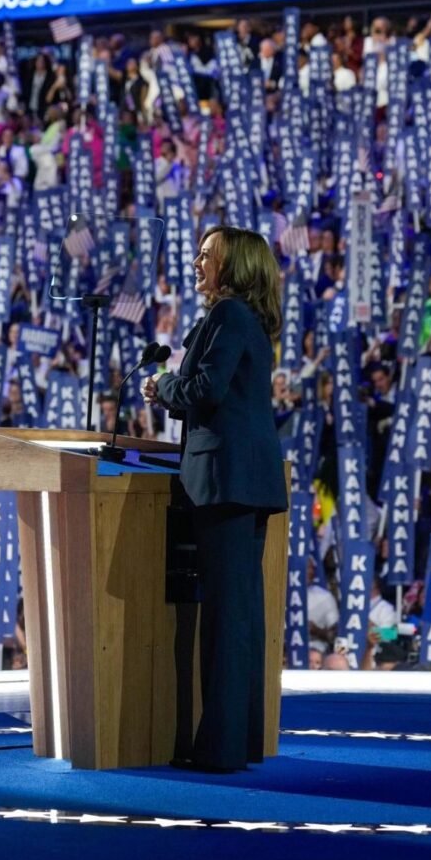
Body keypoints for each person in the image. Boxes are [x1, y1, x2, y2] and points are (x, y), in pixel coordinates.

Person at [143, 225, 287, 773]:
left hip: (225, 479)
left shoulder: (228, 316)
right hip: (245, 480)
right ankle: (241, 741)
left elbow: (205, 389)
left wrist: (162, 388)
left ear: (234, 266)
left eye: (208, 255)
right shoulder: (245, 320)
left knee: (226, 618)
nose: (197, 261)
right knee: (241, 615)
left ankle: (219, 751)